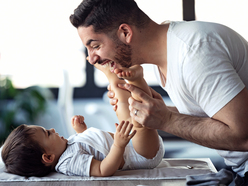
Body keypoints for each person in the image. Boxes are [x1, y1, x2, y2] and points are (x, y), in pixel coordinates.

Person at [69, 0, 248, 184]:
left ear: (125, 32)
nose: (91, 59)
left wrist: (166, 120)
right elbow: (218, 116)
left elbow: (243, 136)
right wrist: (160, 111)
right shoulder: (165, 54)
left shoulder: (194, 53)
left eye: (95, 46)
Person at [1, 63, 164, 177]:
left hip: (132, 145)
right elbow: (102, 169)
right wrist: (119, 144)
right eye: (47, 133)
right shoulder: (68, 162)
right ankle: (136, 79)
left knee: (125, 109)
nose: (52, 130)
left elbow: (91, 147)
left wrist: (82, 131)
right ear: (48, 157)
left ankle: (116, 76)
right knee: (138, 119)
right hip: (142, 156)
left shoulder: (66, 146)